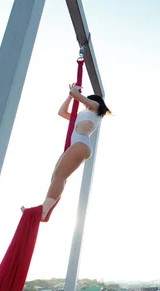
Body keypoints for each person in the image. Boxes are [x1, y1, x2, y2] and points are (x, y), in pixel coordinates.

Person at [22, 83, 111, 221]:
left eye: (87, 101)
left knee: (60, 176)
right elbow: (62, 113)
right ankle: (46, 211)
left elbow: (76, 95)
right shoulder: (83, 114)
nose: (85, 104)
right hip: (78, 145)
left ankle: (44, 211)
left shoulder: (96, 108)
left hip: (81, 144)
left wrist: (74, 92)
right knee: (55, 176)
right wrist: (70, 97)